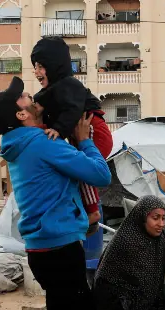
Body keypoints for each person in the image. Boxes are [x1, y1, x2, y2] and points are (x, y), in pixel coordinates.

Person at [0, 77, 111, 310]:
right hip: (60, 250)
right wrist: (84, 140)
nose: (30, 97)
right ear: (21, 115)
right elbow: (100, 174)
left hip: (45, 251)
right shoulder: (40, 143)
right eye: (23, 98)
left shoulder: (22, 145)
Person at [31, 37, 113, 233]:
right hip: (82, 131)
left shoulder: (69, 85)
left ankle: (92, 211)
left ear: (54, 66)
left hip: (92, 129)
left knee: (81, 170)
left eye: (41, 67)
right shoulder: (53, 90)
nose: (36, 72)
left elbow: (72, 110)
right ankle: (86, 209)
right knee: (75, 169)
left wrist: (57, 129)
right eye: (34, 67)